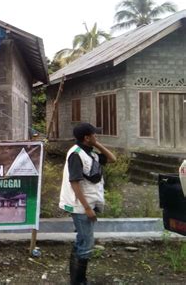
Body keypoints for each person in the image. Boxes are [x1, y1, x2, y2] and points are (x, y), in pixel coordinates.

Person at [59, 122, 116, 285]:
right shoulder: (76, 154)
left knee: (82, 241)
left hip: (87, 204)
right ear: (86, 137)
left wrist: (96, 143)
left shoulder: (90, 153)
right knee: (86, 243)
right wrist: (86, 208)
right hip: (81, 206)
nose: (97, 137)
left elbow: (113, 159)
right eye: (94, 135)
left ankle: (78, 280)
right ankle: (79, 282)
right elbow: (74, 182)